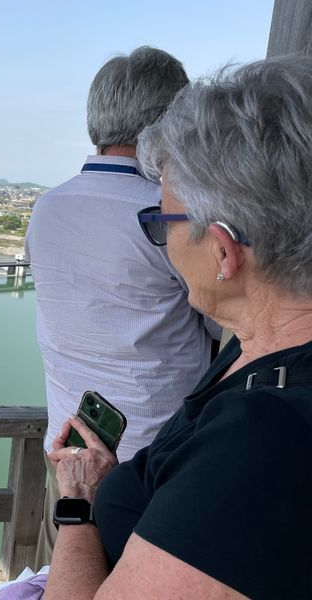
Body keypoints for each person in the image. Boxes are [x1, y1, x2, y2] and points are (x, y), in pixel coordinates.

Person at [44, 56, 312, 599]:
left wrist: (77, 509)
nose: (161, 239)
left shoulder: (258, 443)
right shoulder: (246, 357)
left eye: (160, 222)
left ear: (223, 250)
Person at [24, 46, 219, 564]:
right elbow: (226, 322)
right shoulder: (168, 216)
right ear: (171, 119)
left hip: (68, 450)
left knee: (66, 570)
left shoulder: (46, 207)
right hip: (154, 462)